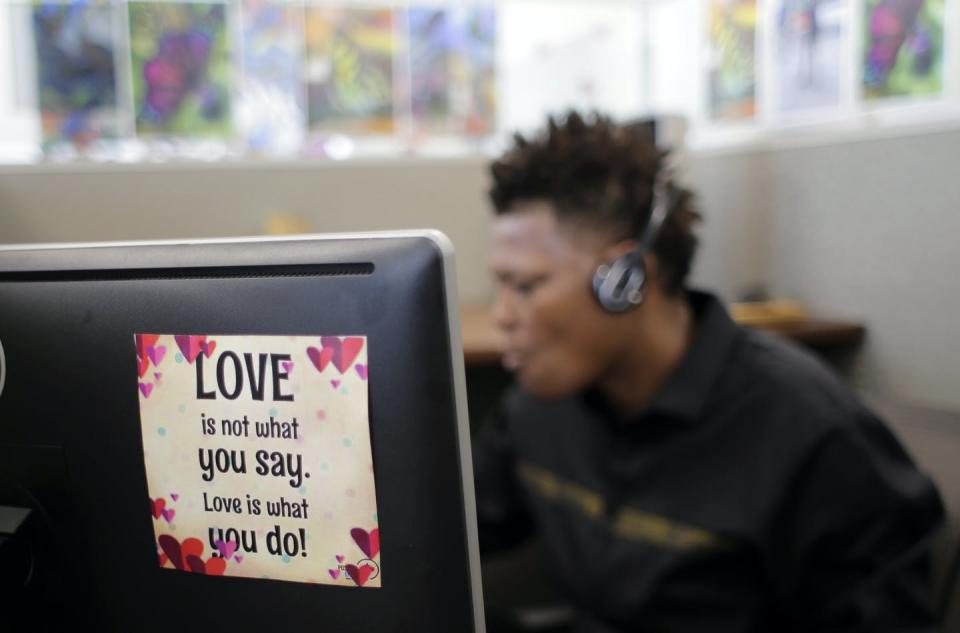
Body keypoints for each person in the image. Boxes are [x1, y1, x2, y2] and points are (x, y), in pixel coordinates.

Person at [473, 111, 945, 632]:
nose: (502, 316)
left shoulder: (815, 439)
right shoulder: (539, 406)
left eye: (526, 286)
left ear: (624, 280)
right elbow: (451, 531)